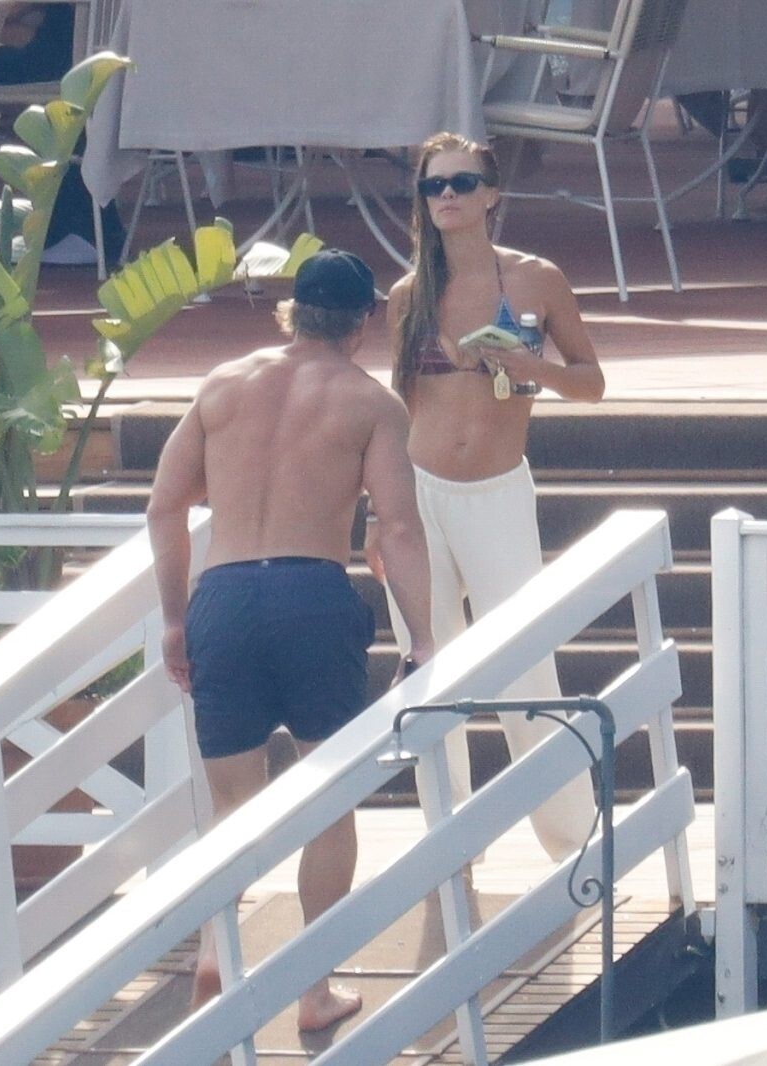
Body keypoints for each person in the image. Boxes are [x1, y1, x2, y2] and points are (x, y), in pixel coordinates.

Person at [147, 249, 436, 1031]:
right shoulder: (371, 403)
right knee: (329, 796)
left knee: (233, 802)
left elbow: (165, 506)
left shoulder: (223, 384)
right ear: (363, 321)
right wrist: (423, 637)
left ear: (292, 310)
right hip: (311, 593)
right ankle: (312, 990)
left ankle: (217, 947)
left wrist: (175, 617)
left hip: (226, 596)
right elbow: (399, 527)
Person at [366, 131, 601, 866]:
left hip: (497, 491)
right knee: (429, 667)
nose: (446, 196)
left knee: (526, 665)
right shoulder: (409, 294)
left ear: (491, 194)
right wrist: (380, 512)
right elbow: (399, 408)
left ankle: (573, 843)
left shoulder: (536, 280)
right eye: (432, 186)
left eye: (461, 183)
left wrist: (533, 366)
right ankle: (449, 846)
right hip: (420, 492)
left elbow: (591, 381)